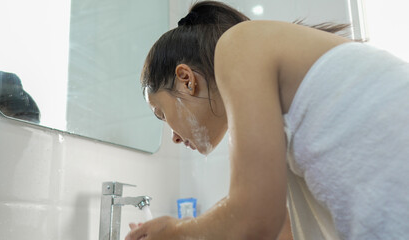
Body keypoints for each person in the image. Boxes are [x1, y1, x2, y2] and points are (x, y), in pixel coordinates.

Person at [126, 1, 409, 239]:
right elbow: (277, 231)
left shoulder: (238, 43)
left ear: (186, 79)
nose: (173, 136)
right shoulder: (282, 116)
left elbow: (256, 218)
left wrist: (176, 232)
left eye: (161, 113)